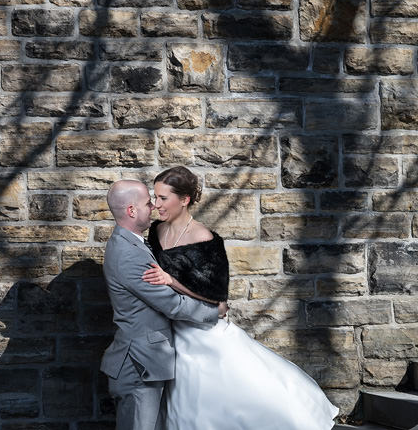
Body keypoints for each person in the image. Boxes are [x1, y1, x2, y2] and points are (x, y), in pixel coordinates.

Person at [142, 166, 339, 430]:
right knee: (186, 404)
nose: (156, 204)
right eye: (155, 197)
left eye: (163, 198)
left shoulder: (204, 238)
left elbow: (218, 300)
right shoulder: (156, 231)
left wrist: (171, 280)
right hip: (172, 330)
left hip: (203, 334)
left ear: (185, 199)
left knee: (243, 394)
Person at [101, 179, 226, 430]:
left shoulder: (132, 243)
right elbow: (172, 305)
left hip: (145, 364)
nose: (154, 207)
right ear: (131, 211)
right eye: (148, 203)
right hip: (138, 367)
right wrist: (215, 311)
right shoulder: (128, 253)